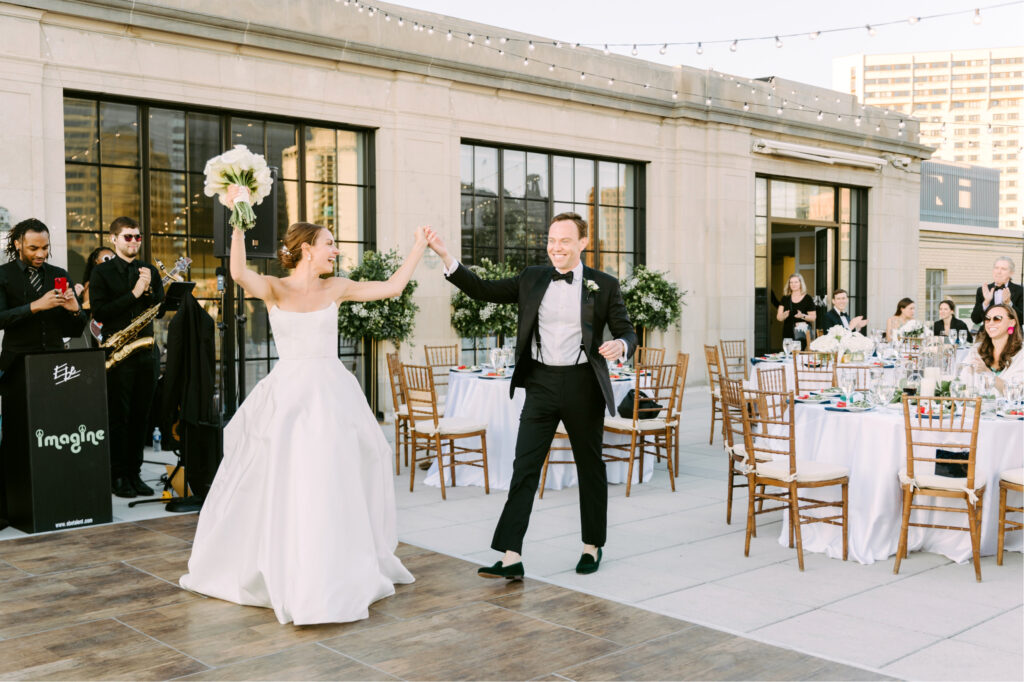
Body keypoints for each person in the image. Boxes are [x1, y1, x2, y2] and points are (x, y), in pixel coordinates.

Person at [181, 185, 421, 625]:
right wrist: (238, 214)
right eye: (330, 243)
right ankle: (288, 560)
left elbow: (391, 287)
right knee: (286, 476)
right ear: (308, 249)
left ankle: (336, 560)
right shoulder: (273, 288)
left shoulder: (338, 287)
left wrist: (418, 248)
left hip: (332, 393)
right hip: (289, 395)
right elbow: (237, 272)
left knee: (339, 472)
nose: (336, 250)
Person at [425, 212, 637, 580]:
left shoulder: (604, 284)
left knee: (590, 468)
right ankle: (511, 556)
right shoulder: (532, 278)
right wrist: (446, 256)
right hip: (539, 383)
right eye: (552, 240)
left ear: (583, 244)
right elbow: (483, 290)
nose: (556, 247)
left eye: (565, 240)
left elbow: (627, 330)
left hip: (583, 384)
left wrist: (620, 344)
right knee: (523, 468)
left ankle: (592, 545)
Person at [0, 219, 87, 530]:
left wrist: (76, 310)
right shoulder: (4, 275)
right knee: (14, 438)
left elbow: (74, 330)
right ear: (18, 244)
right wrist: (35, 306)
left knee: (52, 436)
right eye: (34, 247)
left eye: (45, 247)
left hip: (53, 366)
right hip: (15, 367)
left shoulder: (58, 275)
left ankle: (54, 500)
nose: (40, 253)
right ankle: (10, 508)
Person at [89, 217, 164, 499]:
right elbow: (101, 313)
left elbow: (159, 310)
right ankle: (118, 475)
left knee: (141, 417)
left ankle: (135, 473)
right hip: (118, 354)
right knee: (119, 418)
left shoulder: (149, 271)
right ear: (114, 239)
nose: (134, 241)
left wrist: (150, 291)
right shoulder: (102, 273)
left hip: (145, 352)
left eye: (137, 237)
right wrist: (134, 293)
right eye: (128, 237)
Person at [961, 303, 1024, 391]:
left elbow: (1018, 391)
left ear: (1012, 323)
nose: (990, 323)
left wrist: (987, 372)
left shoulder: (1021, 353)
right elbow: (963, 384)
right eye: (987, 319)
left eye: (997, 319)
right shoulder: (976, 350)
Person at [970, 256, 1023, 327]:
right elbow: (975, 319)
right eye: (996, 268)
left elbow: (1022, 320)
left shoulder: (1020, 291)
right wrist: (986, 302)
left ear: (1011, 273)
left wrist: (1009, 303)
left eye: (1003, 269)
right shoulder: (983, 290)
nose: (999, 272)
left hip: (1011, 333)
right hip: (988, 334)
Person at [79, 246, 115, 346]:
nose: (111, 262)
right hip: (101, 330)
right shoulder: (91, 284)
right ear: (96, 262)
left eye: (114, 258)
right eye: (106, 258)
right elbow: (88, 307)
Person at [776, 273, 816, 349]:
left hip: (802, 332)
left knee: (802, 357)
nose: (793, 284)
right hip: (788, 332)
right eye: (791, 282)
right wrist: (783, 316)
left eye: (796, 282)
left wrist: (802, 316)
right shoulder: (785, 298)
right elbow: (779, 317)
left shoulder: (808, 298)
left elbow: (813, 317)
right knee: (789, 355)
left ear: (801, 283)